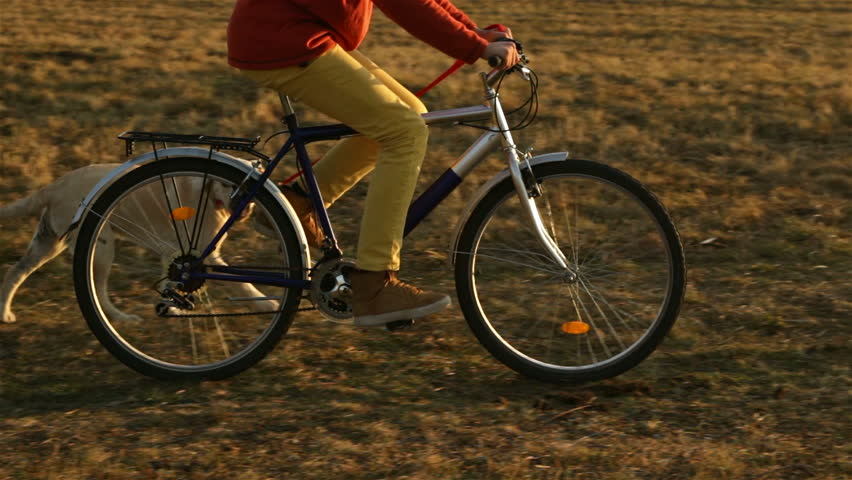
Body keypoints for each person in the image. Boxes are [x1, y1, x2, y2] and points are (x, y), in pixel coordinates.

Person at [227, 0, 519, 326]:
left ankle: (299, 203)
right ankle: (375, 285)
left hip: (296, 35)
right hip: (285, 42)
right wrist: (474, 45)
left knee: (409, 115)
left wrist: (474, 32)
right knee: (404, 131)